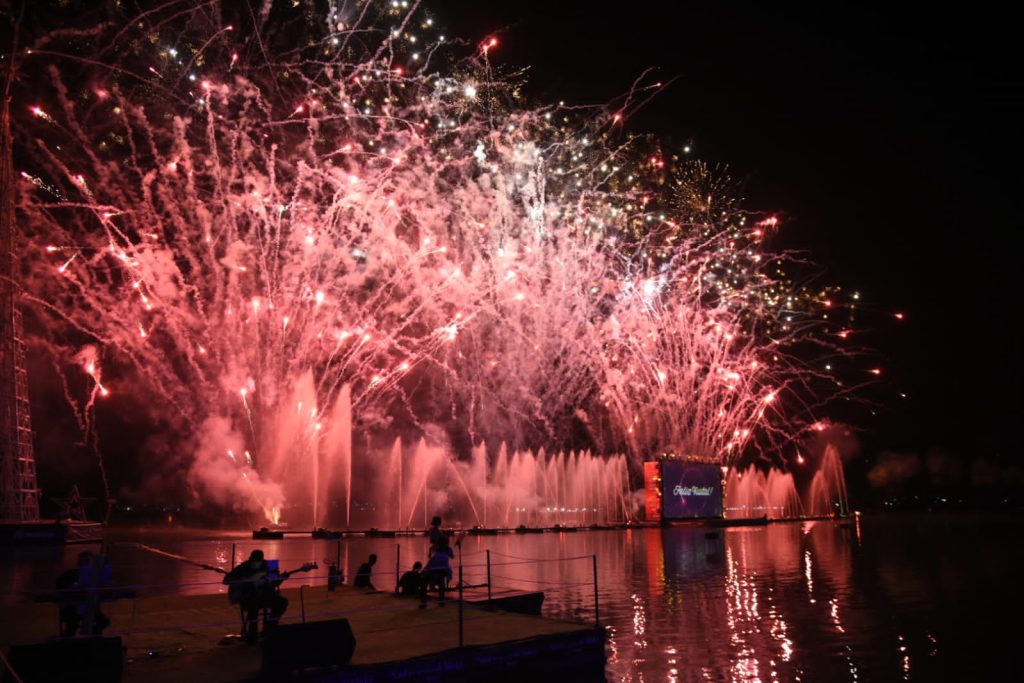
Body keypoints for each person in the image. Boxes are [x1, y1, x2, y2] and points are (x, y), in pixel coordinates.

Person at [223, 550, 289, 643]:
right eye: (253, 562)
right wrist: (246, 579)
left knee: (282, 602)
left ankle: (270, 628)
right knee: (253, 606)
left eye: (258, 562)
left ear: (262, 561)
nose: (255, 564)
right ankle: (252, 635)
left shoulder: (270, 565)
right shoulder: (244, 566)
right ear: (250, 560)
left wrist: (281, 579)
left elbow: (275, 583)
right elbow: (226, 580)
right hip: (248, 597)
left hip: (266, 595)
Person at [55, 551, 111, 637]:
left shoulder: (94, 576)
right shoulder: (69, 575)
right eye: (83, 561)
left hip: (89, 606)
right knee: (72, 624)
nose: (85, 564)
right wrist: (73, 588)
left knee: (103, 621)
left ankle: (93, 636)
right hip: (71, 607)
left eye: (88, 562)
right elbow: (62, 587)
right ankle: (65, 642)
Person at [420, 542, 453, 607]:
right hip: (443, 571)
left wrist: (423, 571)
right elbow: (452, 556)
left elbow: (430, 565)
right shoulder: (447, 552)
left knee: (424, 581)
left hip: (435, 571)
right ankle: (441, 601)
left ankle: (423, 602)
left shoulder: (436, 556)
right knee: (441, 582)